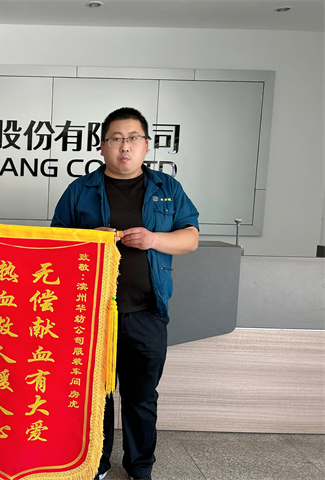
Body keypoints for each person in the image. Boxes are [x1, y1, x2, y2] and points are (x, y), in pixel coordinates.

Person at [51, 107, 199, 480]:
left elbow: (190, 237)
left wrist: (153, 240)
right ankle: (95, 463)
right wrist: (88, 240)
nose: (125, 147)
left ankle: (140, 466)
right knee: (93, 395)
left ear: (146, 145)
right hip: (91, 313)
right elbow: (54, 246)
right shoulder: (80, 190)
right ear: (102, 146)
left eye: (133, 138)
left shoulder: (168, 189)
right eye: (116, 139)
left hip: (147, 311)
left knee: (141, 396)